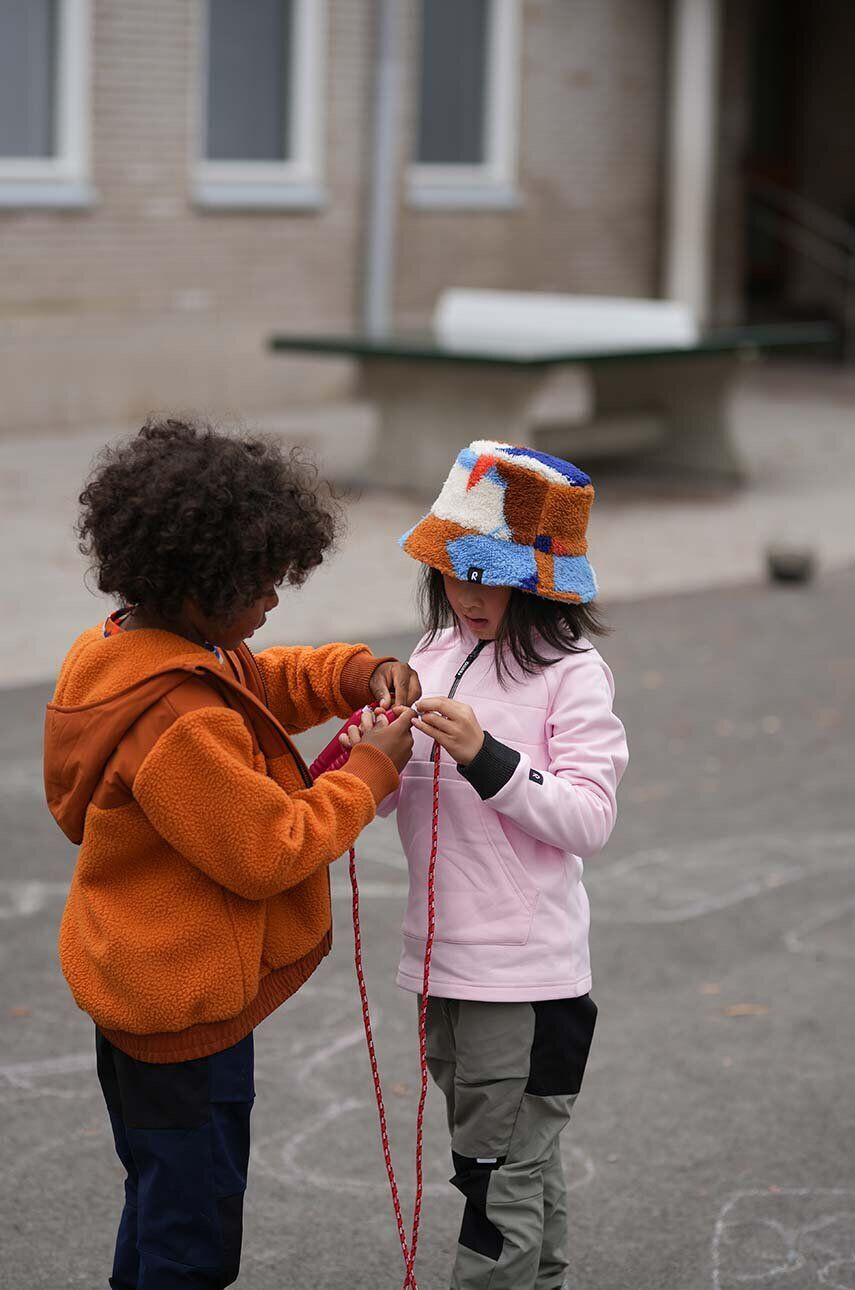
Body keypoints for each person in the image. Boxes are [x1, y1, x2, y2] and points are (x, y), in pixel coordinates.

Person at [43, 418, 419, 1290]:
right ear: (197, 586)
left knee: (160, 1199)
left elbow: (263, 681)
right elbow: (270, 848)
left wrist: (356, 675)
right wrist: (370, 770)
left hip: (143, 985)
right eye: (260, 586)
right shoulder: (177, 719)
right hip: (181, 1014)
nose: (273, 603)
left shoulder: (128, 651)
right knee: (192, 1235)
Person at [342, 440, 628, 1290]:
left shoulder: (571, 673)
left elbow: (589, 817)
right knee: (510, 1165)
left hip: (525, 979)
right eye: (453, 571)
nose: (467, 593)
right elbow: (402, 799)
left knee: (495, 1176)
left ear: (539, 585)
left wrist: (489, 757)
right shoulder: (432, 651)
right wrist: (376, 760)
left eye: (489, 575)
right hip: (444, 960)